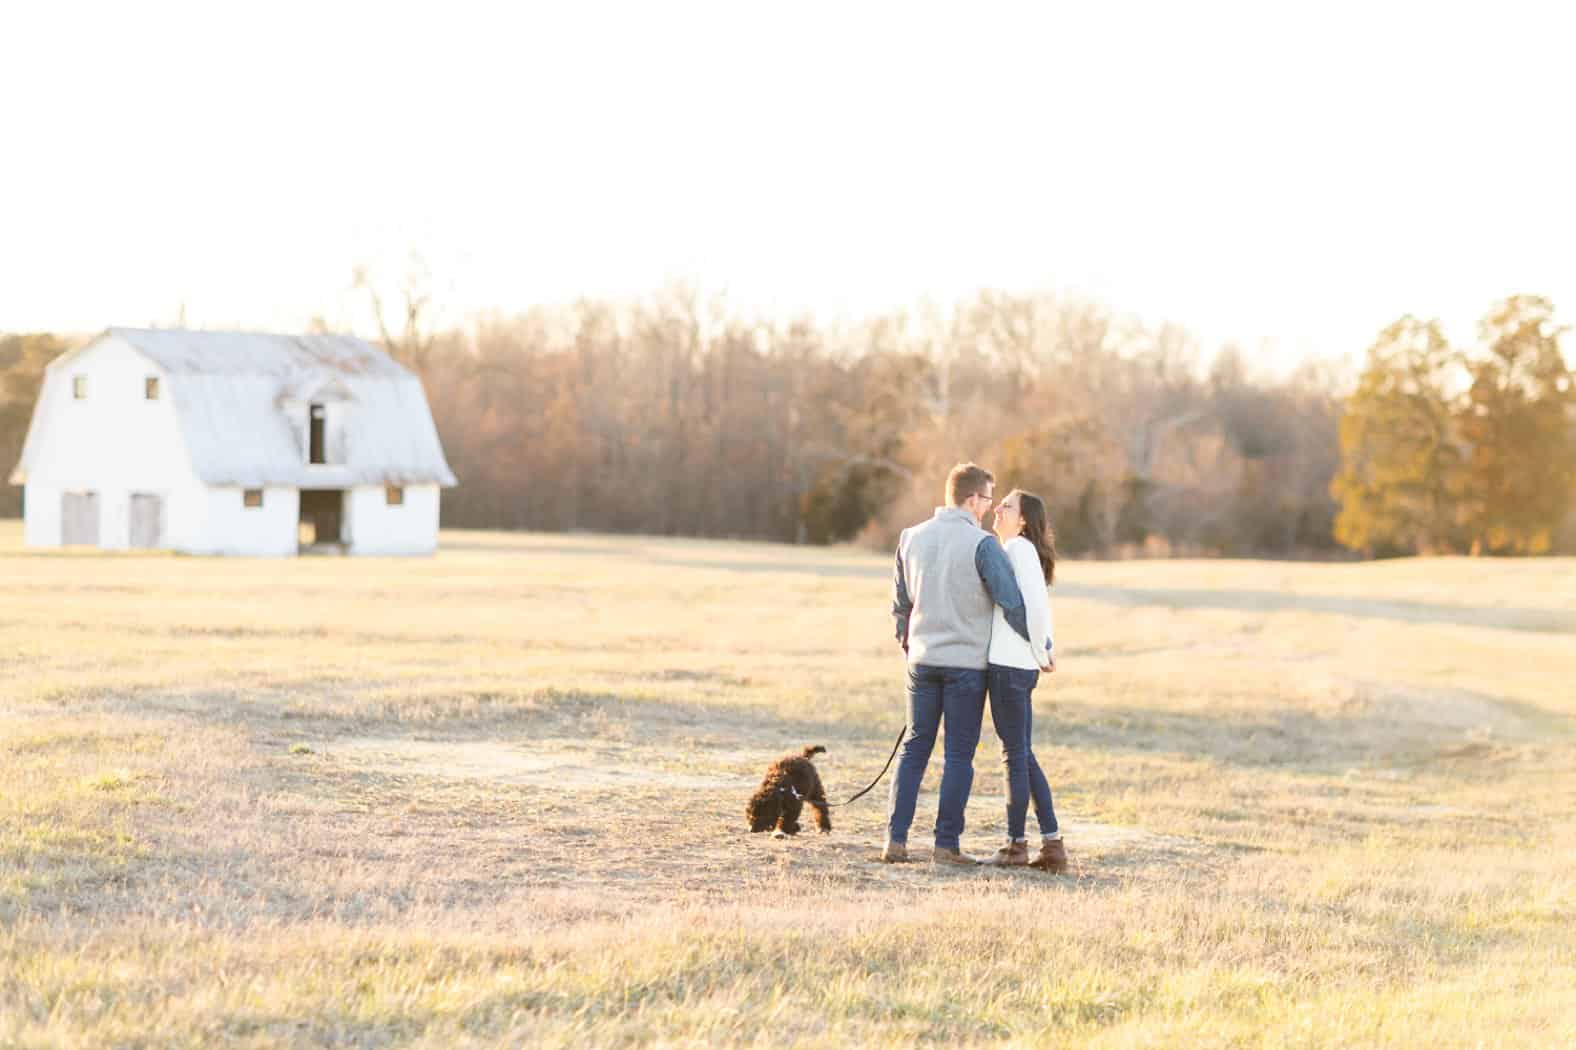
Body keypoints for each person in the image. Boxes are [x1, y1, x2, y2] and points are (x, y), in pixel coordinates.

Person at [885, 463, 1035, 865]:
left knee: (914, 749)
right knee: (957, 756)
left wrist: (910, 642)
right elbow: (1011, 601)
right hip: (966, 666)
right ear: (972, 499)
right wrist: (1038, 647)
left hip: (921, 662)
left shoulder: (910, 537)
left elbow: (900, 606)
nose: (990, 507)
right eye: (988, 498)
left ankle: (895, 841)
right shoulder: (982, 545)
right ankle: (945, 845)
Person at [978, 489, 1068, 873]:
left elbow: (1032, 610)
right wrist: (1042, 648)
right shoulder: (1021, 551)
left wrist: (1039, 652)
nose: (997, 508)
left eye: (1007, 506)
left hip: (1011, 667)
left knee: (1014, 756)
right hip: (1017, 665)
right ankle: (1052, 846)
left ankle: (1016, 845)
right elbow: (1041, 612)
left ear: (1024, 520)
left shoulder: (1017, 550)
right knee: (1022, 754)